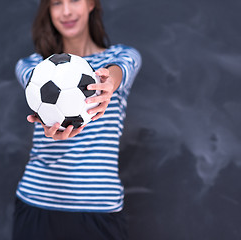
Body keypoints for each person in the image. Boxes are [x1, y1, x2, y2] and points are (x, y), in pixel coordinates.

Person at [13, 0, 141, 239]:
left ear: (91, 4)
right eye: (56, 3)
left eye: (74, 0)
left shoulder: (121, 57)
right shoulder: (33, 65)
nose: (66, 11)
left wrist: (109, 83)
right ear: (48, 11)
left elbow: (122, 68)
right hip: (38, 204)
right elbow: (33, 79)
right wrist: (46, 123)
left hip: (100, 211)